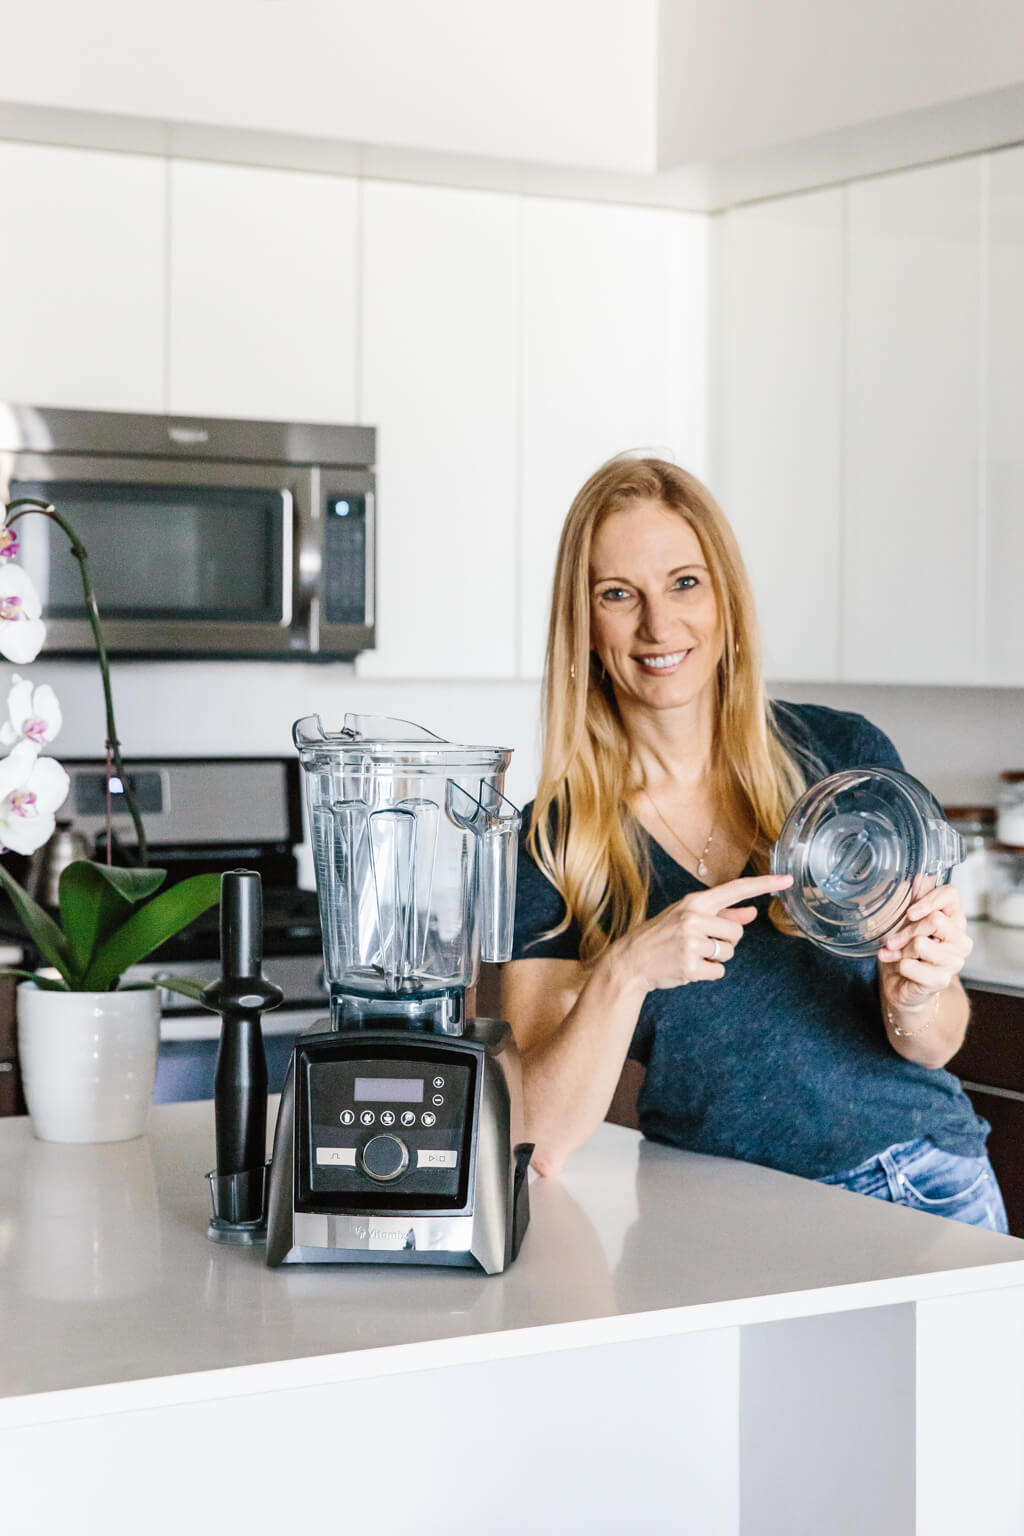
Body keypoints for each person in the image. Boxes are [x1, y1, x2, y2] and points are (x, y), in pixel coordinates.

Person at [502, 455, 1008, 1232]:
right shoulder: (555, 840)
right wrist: (627, 970)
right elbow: (539, 1136)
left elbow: (937, 1044)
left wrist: (915, 994)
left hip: (919, 1186)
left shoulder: (842, 756)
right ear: (584, 623)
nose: (658, 626)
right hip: (714, 1222)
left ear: (725, 600)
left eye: (684, 583)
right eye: (617, 595)